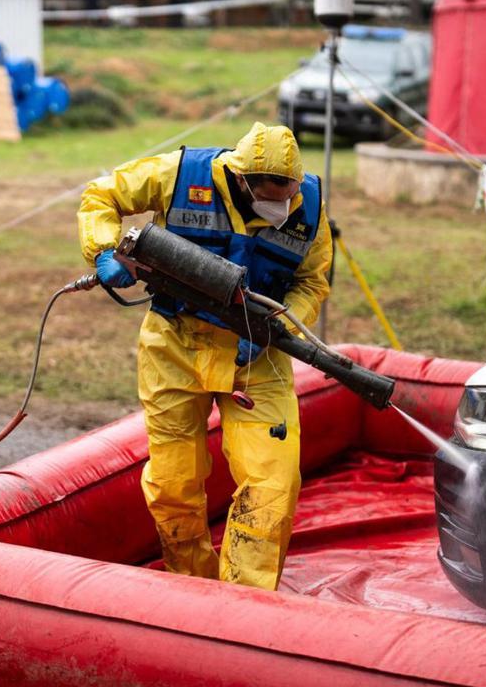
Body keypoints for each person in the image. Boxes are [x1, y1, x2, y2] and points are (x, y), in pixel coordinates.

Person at [77, 122, 331, 591]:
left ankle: (246, 605)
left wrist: (280, 324)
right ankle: (192, 591)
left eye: (290, 194)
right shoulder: (179, 175)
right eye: (271, 197)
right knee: (174, 485)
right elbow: (102, 194)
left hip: (257, 359)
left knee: (273, 486)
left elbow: (311, 283)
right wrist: (104, 251)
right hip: (175, 345)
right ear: (241, 180)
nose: (283, 205)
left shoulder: (308, 208)